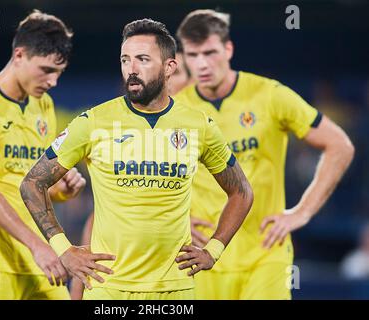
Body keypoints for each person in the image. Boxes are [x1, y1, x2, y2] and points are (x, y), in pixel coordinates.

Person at [20, 18, 253, 300]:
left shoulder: (199, 125)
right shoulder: (93, 122)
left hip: (174, 291)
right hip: (109, 289)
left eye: (142, 59)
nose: (131, 68)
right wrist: (65, 250)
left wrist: (213, 251)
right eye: (125, 59)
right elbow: (33, 183)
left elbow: (241, 192)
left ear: (170, 67)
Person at [175, 9, 355, 299]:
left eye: (210, 52)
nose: (202, 64)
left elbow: (340, 146)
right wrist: (177, 220)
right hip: (203, 257)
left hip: (265, 255)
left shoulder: (270, 95)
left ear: (228, 49)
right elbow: (150, 175)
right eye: (193, 56)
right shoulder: (175, 111)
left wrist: (302, 212)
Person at [0, 10, 86, 300]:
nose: (53, 82)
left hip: (41, 262)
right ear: (19, 55)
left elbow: (35, 183)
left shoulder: (43, 106)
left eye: (58, 73)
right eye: (46, 70)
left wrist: (64, 189)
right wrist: (37, 246)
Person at [69, 35, 196, 301]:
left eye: (186, 74)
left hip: (194, 270)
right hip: (127, 280)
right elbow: (101, 215)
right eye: (126, 61)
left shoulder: (204, 130)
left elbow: (239, 192)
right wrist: (79, 288)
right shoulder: (116, 127)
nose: (183, 80)